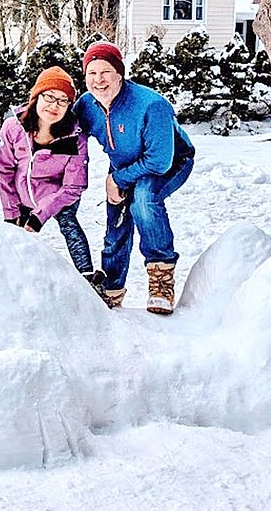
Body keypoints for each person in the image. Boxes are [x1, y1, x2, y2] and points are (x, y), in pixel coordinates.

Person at [73, 41, 195, 314]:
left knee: (142, 199)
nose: (98, 80)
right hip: (124, 165)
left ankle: (161, 277)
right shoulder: (86, 105)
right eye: (91, 74)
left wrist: (117, 180)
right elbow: (65, 135)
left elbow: (159, 161)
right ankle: (111, 287)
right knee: (116, 220)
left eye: (105, 72)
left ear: (120, 73)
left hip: (170, 162)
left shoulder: (151, 105)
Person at [0, 66, 105, 293]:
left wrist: (41, 215)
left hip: (59, 196)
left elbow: (74, 186)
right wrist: (11, 211)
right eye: (49, 97)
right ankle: (11, 283)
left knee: (68, 223)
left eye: (63, 100)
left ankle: (88, 279)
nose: (54, 105)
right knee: (14, 235)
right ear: (36, 97)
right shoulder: (13, 127)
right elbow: (4, 171)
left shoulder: (75, 138)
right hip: (23, 194)